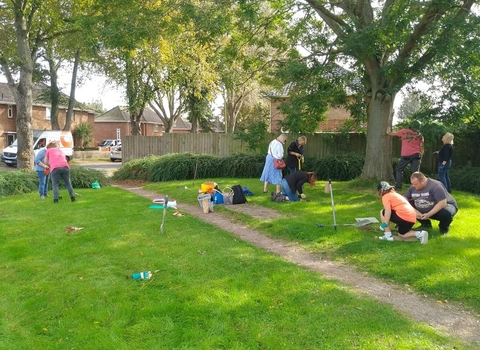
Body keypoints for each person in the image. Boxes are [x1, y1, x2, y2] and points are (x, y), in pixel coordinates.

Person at [387, 123, 424, 190]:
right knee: (415, 172)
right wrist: (421, 156)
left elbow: (391, 133)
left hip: (406, 155)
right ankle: (416, 187)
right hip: (416, 154)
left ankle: (398, 187)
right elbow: (421, 147)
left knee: (399, 169)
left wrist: (388, 130)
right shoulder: (420, 135)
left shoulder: (404, 131)